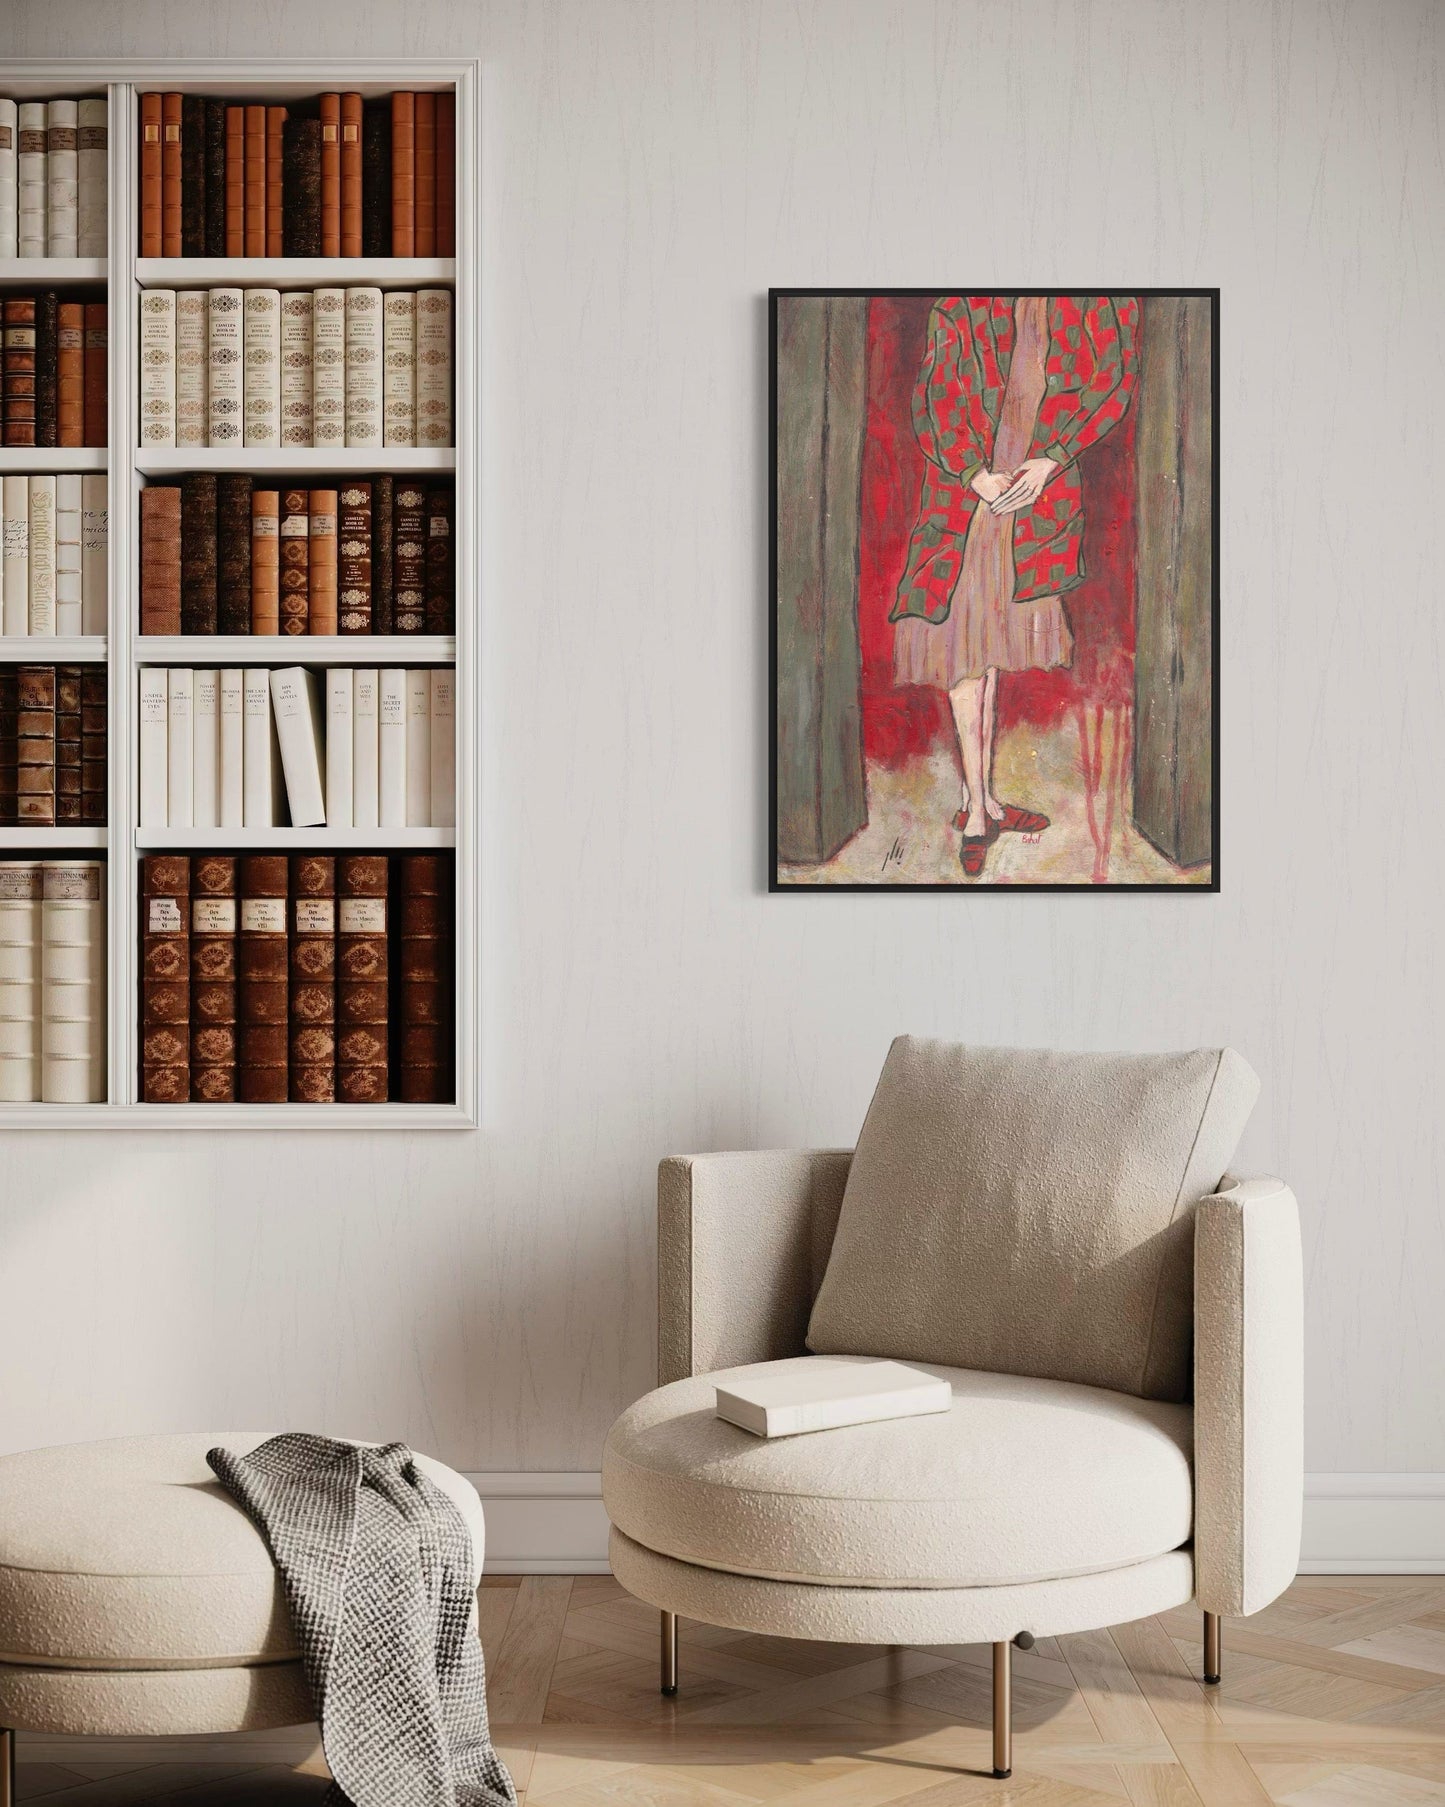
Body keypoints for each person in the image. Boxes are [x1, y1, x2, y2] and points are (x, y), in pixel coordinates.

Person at [891, 295, 1139, 877]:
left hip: (1034, 502)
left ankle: (985, 796)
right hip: (968, 497)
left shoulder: (1094, 300)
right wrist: (975, 474)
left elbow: (1113, 380)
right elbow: (936, 398)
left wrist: (1051, 461)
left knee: (991, 643)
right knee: (963, 644)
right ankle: (976, 812)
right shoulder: (962, 302)